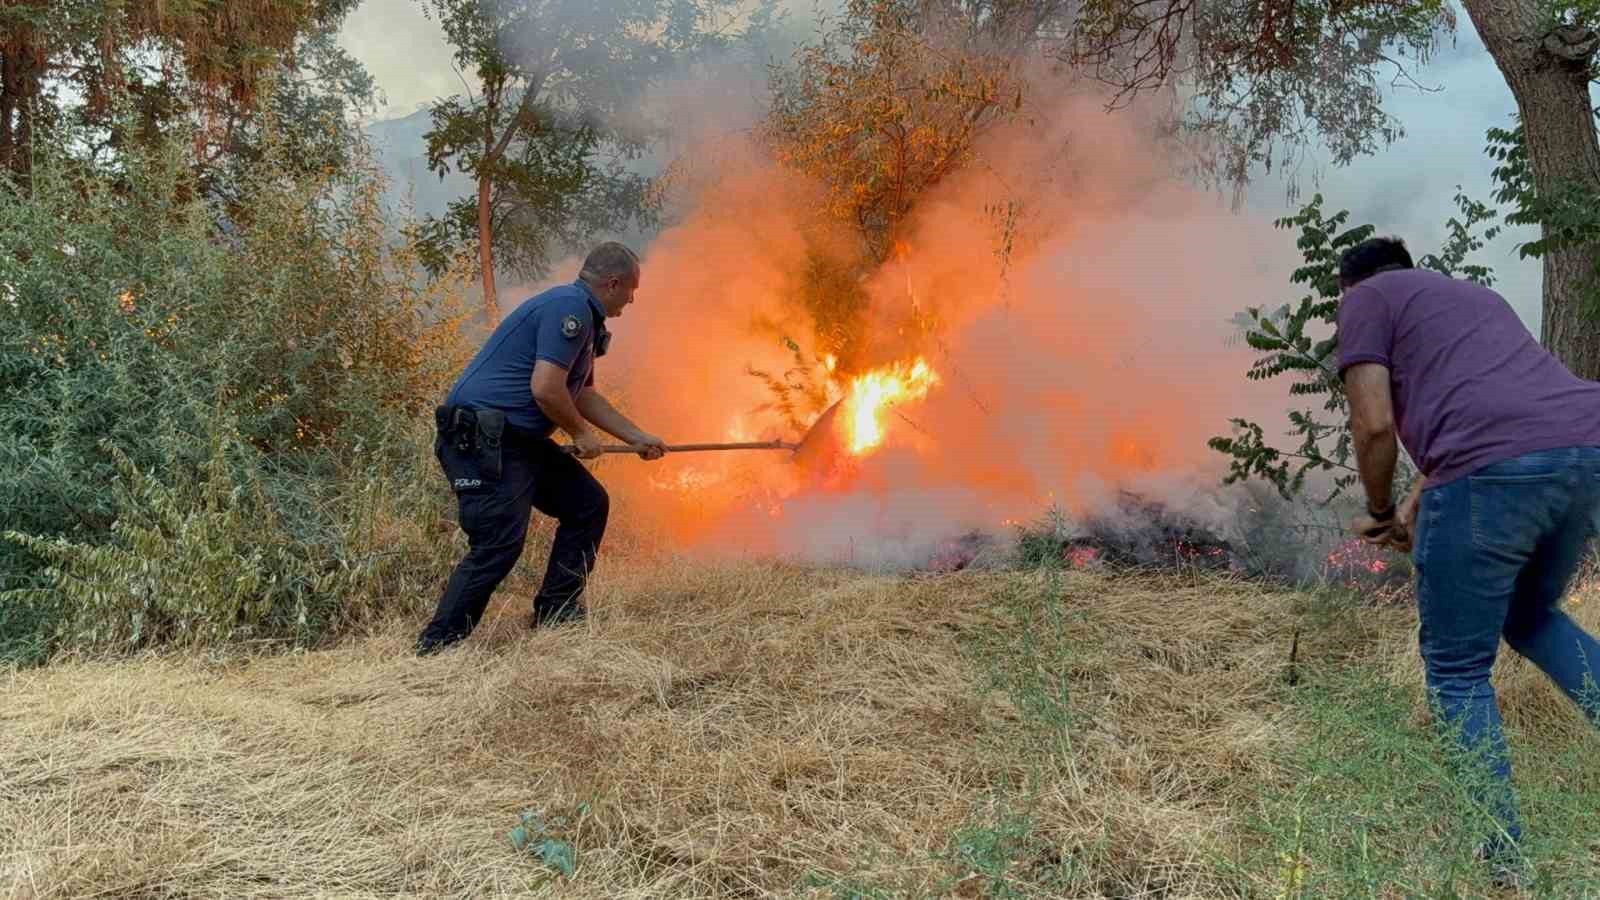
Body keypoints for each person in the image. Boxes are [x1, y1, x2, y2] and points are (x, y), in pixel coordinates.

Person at [1337, 236, 1600, 875]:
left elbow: (1373, 425)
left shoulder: (1366, 298)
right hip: (1586, 453)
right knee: (1531, 615)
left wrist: (1376, 510)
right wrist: (1413, 504)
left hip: (1494, 472)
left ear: (1352, 285)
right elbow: (1500, 414)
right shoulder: (1473, 298)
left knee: (1456, 669)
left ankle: (1501, 858)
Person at [416, 242, 667, 655]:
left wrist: (636, 437)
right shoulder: (568, 309)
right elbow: (546, 388)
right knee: (499, 543)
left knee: (587, 504)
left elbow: (583, 394)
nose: (632, 299)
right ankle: (436, 647)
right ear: (613, 283)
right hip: (485, 438)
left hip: (520, 440)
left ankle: (557, 611)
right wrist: (580, 435)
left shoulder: (585, 319)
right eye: (631, 290)